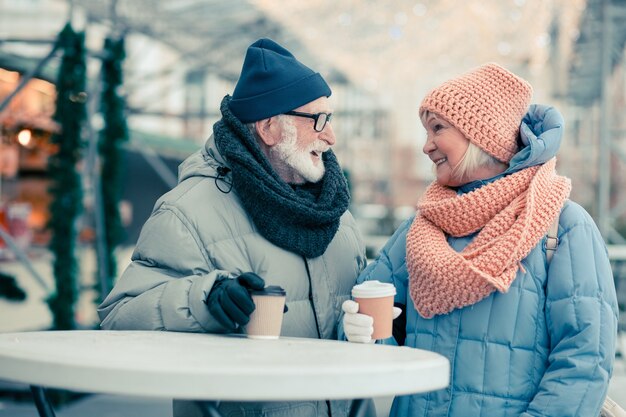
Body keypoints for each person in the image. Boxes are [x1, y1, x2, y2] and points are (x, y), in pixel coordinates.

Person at [98, 38, 366, 417]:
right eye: (318, 120)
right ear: (270, 127)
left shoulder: (336, 214)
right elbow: (118, 319)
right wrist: (203, 299)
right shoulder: (187, 212)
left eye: (331, 119)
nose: (331, 136)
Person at [341, 63, 619, 416]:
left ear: (481, 134)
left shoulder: (562, 226)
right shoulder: (423, 225)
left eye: (437, 128)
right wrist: (358, 332)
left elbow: (584, 358)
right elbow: (374, 323)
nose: (426, 146)